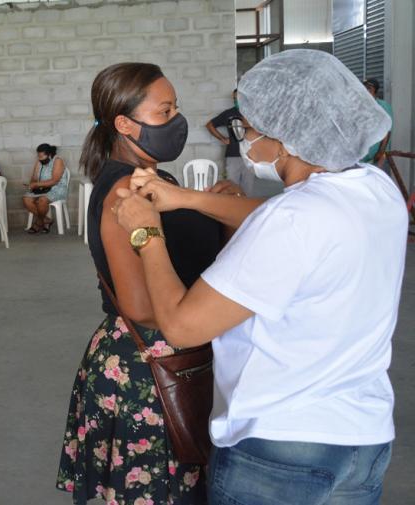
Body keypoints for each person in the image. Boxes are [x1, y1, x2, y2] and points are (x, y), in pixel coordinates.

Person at [113, 49, 400, 504]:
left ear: (284, 140)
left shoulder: (290, 221)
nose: (244, 139)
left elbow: (182, 326)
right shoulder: (375, 188)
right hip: (363, 439)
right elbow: (278, 214)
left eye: (247, 128)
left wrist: (146, 233)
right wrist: (187, 199)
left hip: (280, 447)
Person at [56, 63, 229, 505]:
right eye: (164, 111)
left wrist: (211, 209)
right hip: (151, 369)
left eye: (176, 109)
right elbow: (139, 306)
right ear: (124, 124)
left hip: (175, 357)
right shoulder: (124, 191)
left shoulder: (157, 180)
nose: (176, 121)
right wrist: (208, 314)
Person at [23, 143, 68, 234]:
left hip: (56, 188)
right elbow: (34, 177)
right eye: (38, 156)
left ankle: (39, 222)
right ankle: (46, 220)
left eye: (42, 156)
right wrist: (31, 184)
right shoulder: (39, 162)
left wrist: (36, 184)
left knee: (42, 200)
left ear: (49, 155)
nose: (40, 159)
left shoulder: (57, 161)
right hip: (42, 189)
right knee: (26, 199)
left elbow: (54, 181)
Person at [361, 78, 393, 167]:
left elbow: (387, 130)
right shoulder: (363, 106)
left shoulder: (383, 106)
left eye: (369, 88)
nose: (366, 91)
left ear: (376, 91)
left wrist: (381, 152)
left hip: (376, 154)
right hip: (363, 154)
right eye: (364, 88)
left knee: (376, 174)